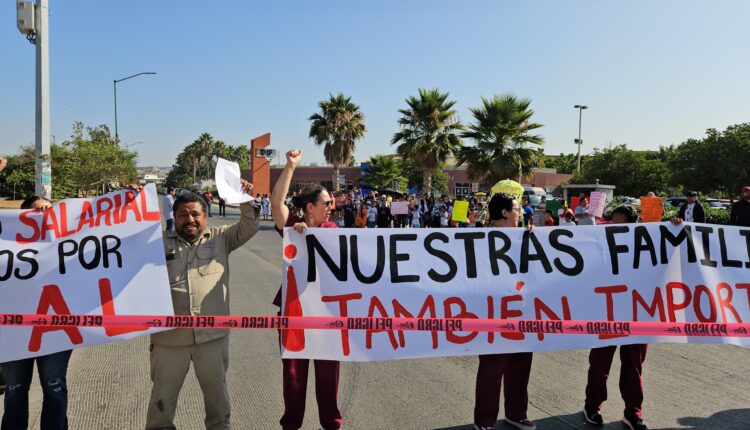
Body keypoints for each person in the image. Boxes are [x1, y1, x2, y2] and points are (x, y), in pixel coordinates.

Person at [145, 183, 259, 430]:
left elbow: (249, 226)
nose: (190, 219)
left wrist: (243, 197)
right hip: (168, 339)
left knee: (217, 402)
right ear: (174, 217)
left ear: (205, 217)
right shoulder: (156, 243)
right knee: (161, 404)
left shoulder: (221, 238)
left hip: (212, 337)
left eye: (196, 214)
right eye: (183, 214)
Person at [270, 149, 342, 430]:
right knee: (293, 376)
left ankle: (331, 424)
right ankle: (292, 425)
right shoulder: (290, 227)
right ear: (310, 206)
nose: (330, 206)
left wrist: (314, 234)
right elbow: (277, 202)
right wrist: (290, 166)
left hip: (327, 313)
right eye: (325, 202)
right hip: (293, 313)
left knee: (329, 375)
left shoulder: (333, 228)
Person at [1, 196, 73, 430]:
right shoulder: (6, 244)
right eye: (37, 211)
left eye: (48, 210)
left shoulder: (67, 242)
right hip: (14, 333)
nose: (43, 214)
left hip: (54, 332)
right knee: (14, 391)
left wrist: (128, 200)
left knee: (55, 387)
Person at [583, 205, 649, 430]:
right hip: (607, 312)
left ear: (633, 225)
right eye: (612, 224)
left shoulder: (648, 246)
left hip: (637, 314)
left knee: (633, 365)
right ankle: (592, 405)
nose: (615, 229)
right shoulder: (601, 244)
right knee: (599, 363)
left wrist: (676, 227)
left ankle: (633, 413)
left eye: (620, 225)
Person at [474, 193, 536, 430]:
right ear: (504, 213)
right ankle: (485, 420)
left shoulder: (525, 237)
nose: (521, 213)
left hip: (521, 310)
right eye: (517, 209)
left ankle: (516, 413)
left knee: (521, 363)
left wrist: (532, 239)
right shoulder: (479, 239)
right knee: (493, 366)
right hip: (493, 312)